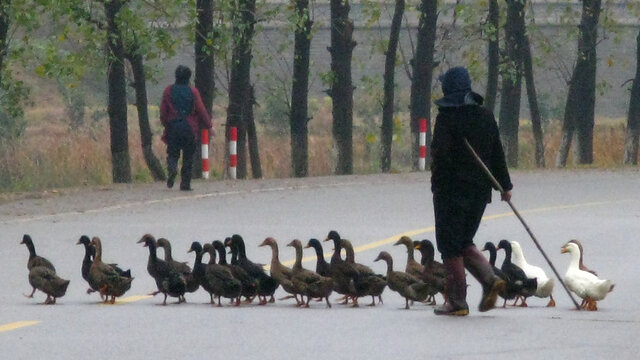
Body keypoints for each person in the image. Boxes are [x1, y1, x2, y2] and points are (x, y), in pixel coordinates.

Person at [430, 66, 512, 316]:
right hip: (480, 193)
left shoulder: (446, 118)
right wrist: (505, 185)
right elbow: (497, 153)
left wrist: (439, 186)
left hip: (451, 194)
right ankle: (489, 278)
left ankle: (457, 300)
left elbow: (440, 157)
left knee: (449, 246)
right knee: (464, 240)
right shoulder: (485, 116)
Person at [160, 65, 213, 191]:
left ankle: (172, 167)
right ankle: (185, 184)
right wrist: (209, 126)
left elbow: (163, 111)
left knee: (173, 153)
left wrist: (166, 124)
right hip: (189, 127)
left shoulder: (168, 90)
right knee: (188, 156)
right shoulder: (193, 92)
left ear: (176, 76)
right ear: (189, 78)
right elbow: (201, 110)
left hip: (173, 127)